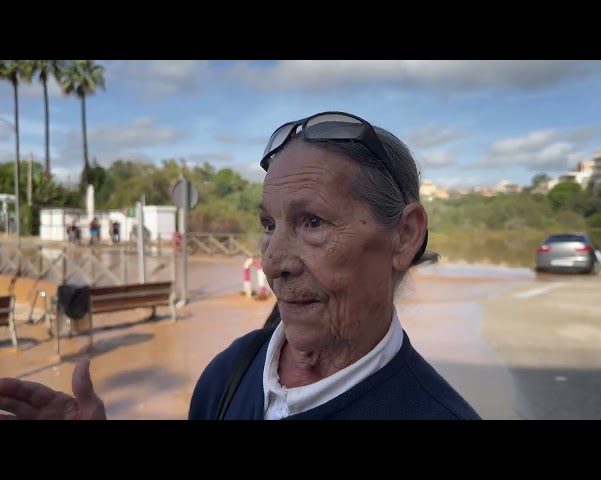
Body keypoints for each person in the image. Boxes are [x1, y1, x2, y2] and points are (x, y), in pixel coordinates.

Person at [0, 110, 481, 420]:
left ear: (405, 235)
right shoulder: (231, 371)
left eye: (312, 222)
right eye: (269, 225)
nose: (274, 263)